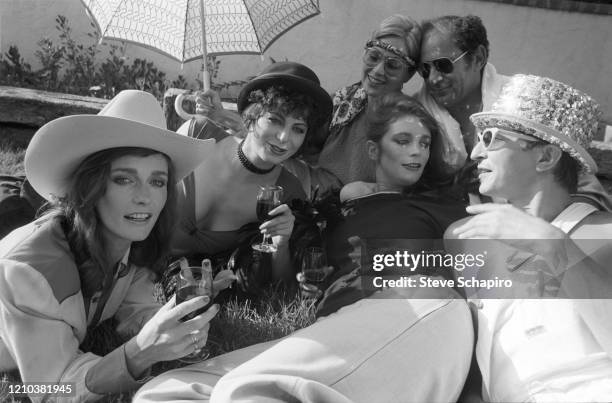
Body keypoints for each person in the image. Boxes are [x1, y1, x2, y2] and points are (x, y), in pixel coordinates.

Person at [134, 94, 473, 403]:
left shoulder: (436, 208)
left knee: (246, 395)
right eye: (404, 140)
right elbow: (295, 270)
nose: (417, 151)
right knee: (160, 393)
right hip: (336, 322)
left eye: (425, 144)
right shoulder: (337, 208)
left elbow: (507, 259)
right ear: (373, 151)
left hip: (408, 307)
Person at [0, 90, 227, 401]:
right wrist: (139, 352)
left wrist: (166, 324)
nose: (145, 197)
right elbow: (52, 391)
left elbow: (133, 304)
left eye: (158, 181)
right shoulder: (30, 272)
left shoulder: (128, 240)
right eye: (124, 179)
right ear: (90, 187)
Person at [445, 75, 612, 402]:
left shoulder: (603, 232)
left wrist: (551, 244)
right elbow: (472, 363)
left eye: (490, 138)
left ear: (546, 157)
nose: (477, 153)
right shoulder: (465, 239)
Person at [416, 14, 612, 210]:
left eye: (443, 65)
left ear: (478, 58)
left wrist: (555, 230)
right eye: (424, 69)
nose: (433, 78)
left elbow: (585, 187)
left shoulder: (527, 101)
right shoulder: (417, 114)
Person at [173, 62, 332, 283]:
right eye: (275, 120)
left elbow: (282, 283)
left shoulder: (290, 193)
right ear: (252, 115)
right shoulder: (198, 133)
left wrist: (282, 243)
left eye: (298, 129)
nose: (285, 138)